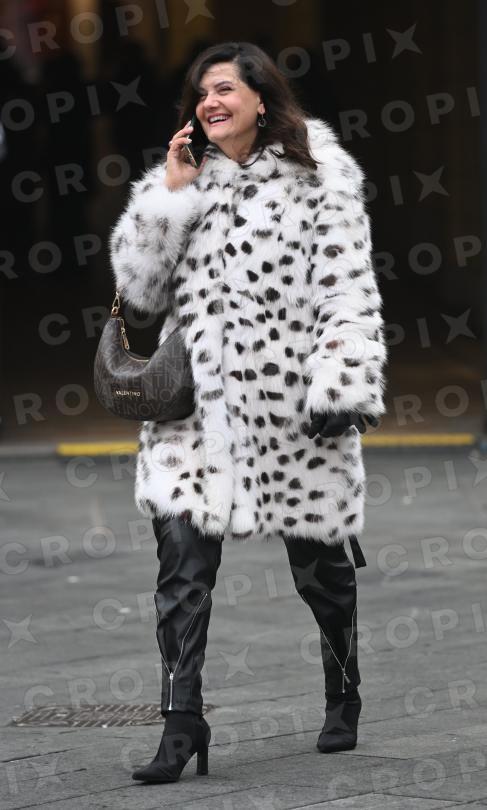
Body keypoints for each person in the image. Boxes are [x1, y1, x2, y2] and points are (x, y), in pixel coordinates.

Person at [109, 41, 387, 784]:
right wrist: (169, 195)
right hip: (192, 414)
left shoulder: (319, 178)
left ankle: (343, 689)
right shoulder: (180, 180)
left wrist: (341, 382)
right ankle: (182, 722)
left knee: (322, 574)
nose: (211, 102)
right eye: (202, 92)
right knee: (180, 572)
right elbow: (138, 294)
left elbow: (347, 290)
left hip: (290, 407)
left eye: (225, 88)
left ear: (262, 99)